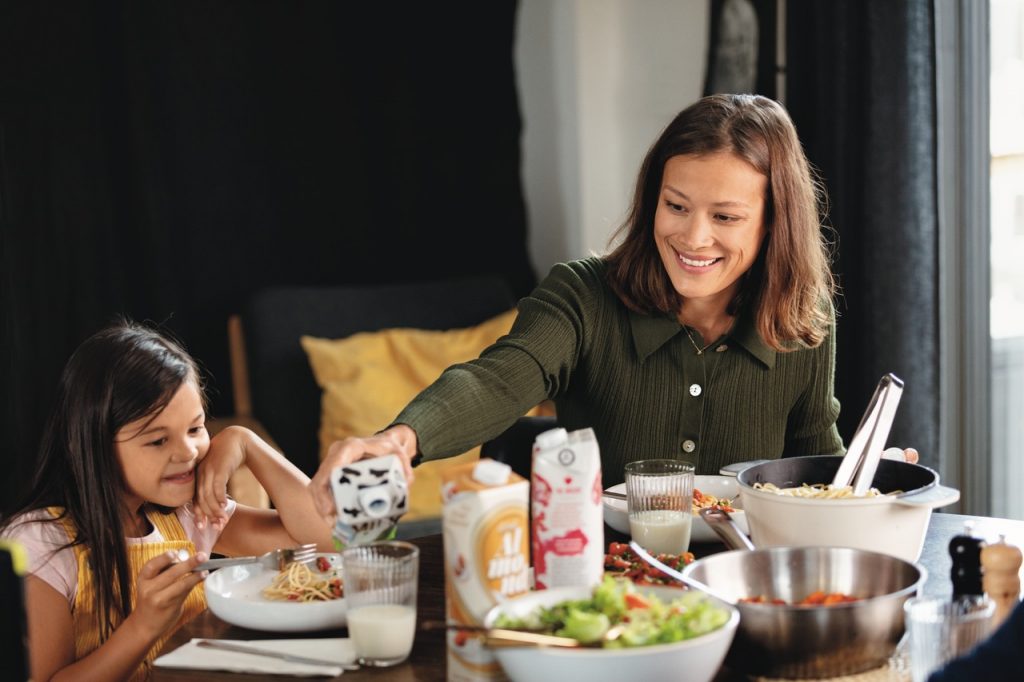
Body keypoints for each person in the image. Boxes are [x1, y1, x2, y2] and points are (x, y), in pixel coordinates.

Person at [308, 93, 918, 524]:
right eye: (676, 206)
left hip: (749, 584)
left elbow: (812, 452)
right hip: (604, 577)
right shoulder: (583, 295)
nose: (693, 237)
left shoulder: (802, 317)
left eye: (726, 217)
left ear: (774, 225)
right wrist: (401, 438)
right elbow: (496, 378)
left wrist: (866, 479)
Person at [0, 320, 333, 682]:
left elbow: (327, 541)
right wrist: (143, 626)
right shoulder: (43, 542)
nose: (188, 451)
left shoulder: (188, 515)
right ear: (92, 445)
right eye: (158, 441)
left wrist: (244, 442)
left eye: (195, 428)